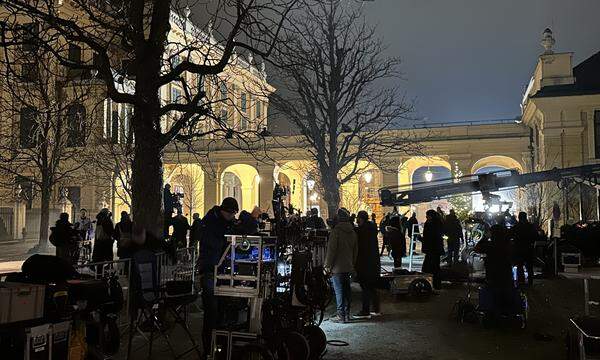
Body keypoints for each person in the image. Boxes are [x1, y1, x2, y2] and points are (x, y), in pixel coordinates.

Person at [200, 197, 238, 355]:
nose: (233, 217)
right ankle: (209, 349)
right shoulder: (211, 223)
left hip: (219, 270)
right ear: (224, 211)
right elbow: (215, 244)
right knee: (212, 312)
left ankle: (219, 347)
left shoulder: (222, 221)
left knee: (221, 310)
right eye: (231, 214)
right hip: (211, 270)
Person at [325, 208, 358, 323]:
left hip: (337, 268)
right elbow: (355, 251)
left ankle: (341, 316)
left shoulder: (336, 232)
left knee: (339, 292)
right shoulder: (352, 232)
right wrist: (352, 264)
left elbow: (331, 250)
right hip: (348, 266)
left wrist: (327, 265)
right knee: (347, 291)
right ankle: (347, 314)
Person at [474, 224, 515, 317]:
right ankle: (505, 314)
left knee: (494, 295)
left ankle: (495, 315)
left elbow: (477, 248)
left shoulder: (490, 245)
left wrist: (484, 237)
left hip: (492, 275)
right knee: (505, 294)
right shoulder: (508, 244)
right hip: (506, 275)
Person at [354, 211, 381, 318]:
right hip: (373, 262)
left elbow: (361, 247)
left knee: (365, 286)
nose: (357, 220)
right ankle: (376, 308)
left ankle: (365, 310)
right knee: (372, 286)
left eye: (358, 218)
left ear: (361, 219)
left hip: (364, 262)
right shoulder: (372, 228)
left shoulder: (362, 230)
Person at [511, 212, 537, 286]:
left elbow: (510, 235)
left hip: (519, 249)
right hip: (529, 248)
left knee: (520, 266)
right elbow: (536, 236)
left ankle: (521, 282)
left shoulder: (516, 226)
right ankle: (530, 282)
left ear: (519, 218)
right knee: (529, 267)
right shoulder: (531, 226)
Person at [422, 209, 444, 290]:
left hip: (432, 250)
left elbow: (430, 237)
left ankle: (431, 285)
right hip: (434, 250)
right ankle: (435, 285)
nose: (426, 217)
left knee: (429, 268)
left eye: (427, 215)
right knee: (434, 268)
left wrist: (422, 240)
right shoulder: (438, 223)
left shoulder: (431, 224)